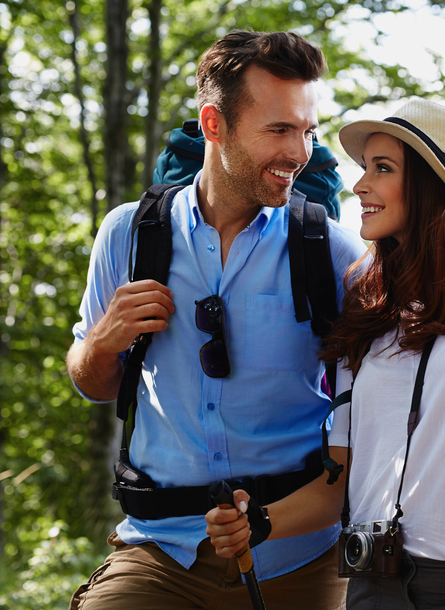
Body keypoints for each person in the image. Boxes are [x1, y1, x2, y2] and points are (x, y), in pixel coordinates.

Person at [206, 98, 445, 609]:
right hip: (372, 590)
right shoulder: (362, 307)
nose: (360, 185)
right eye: (365, 168)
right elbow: (338, 486)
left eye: (383, 169)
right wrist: (260, 522)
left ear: (432, 185)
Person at [66, 30, 366, 610]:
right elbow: (92, 383)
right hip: (162, 552)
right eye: (278, 129)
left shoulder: (330, 251)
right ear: (213, 125)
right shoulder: (127, 234)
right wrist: (103, 342)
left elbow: (370, 421)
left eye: (307, 131)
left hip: (301, 555)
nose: (299, 152)